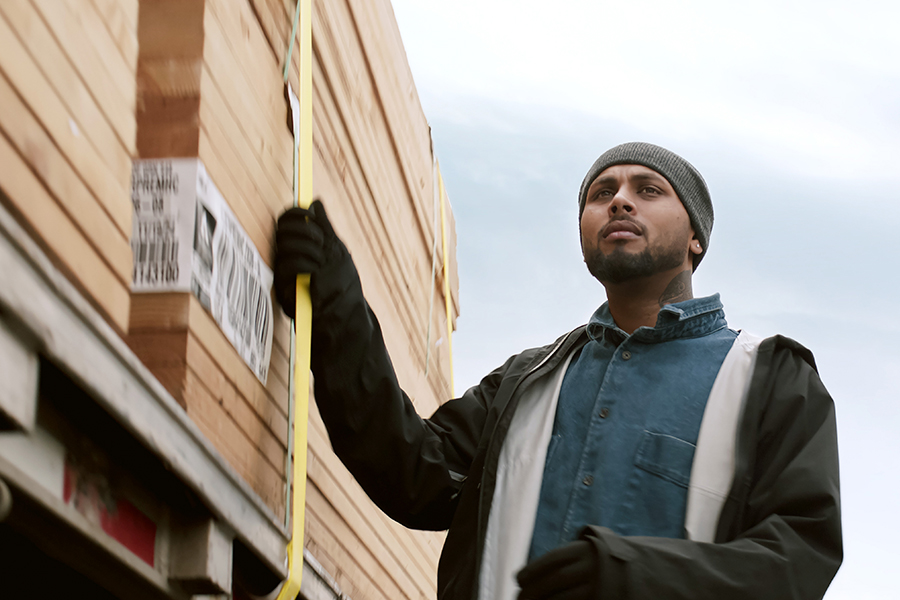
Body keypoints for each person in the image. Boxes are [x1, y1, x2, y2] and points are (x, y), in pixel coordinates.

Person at [274, 142, 841, 600]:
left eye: (648, 190)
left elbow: (799, 555)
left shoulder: (769, 377)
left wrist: (636, 574)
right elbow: (410, 476)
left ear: (696, 237)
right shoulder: (529, 383)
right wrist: (334, 307)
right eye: (602, 193)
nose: (620, 202)